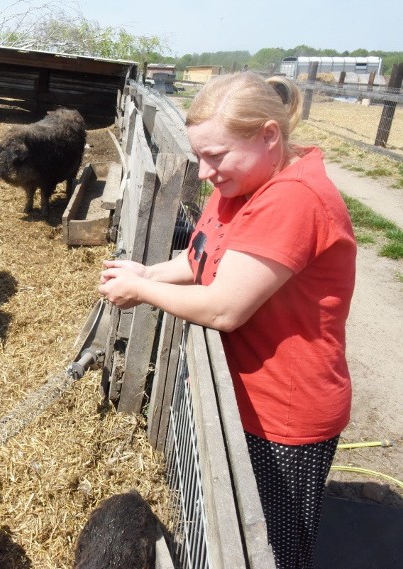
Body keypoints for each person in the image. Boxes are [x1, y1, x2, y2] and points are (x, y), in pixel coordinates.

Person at [98, 72, 356, 569]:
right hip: (246, 395)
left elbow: (224, 308)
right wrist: (150, 270)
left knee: (274, 548)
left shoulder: (293, 199)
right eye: (200, 155)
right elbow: (201, 256)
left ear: (268, 136)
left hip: (286, 408)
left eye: (215, 155)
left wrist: (141, 290)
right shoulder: (244, 182)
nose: (202, 172)